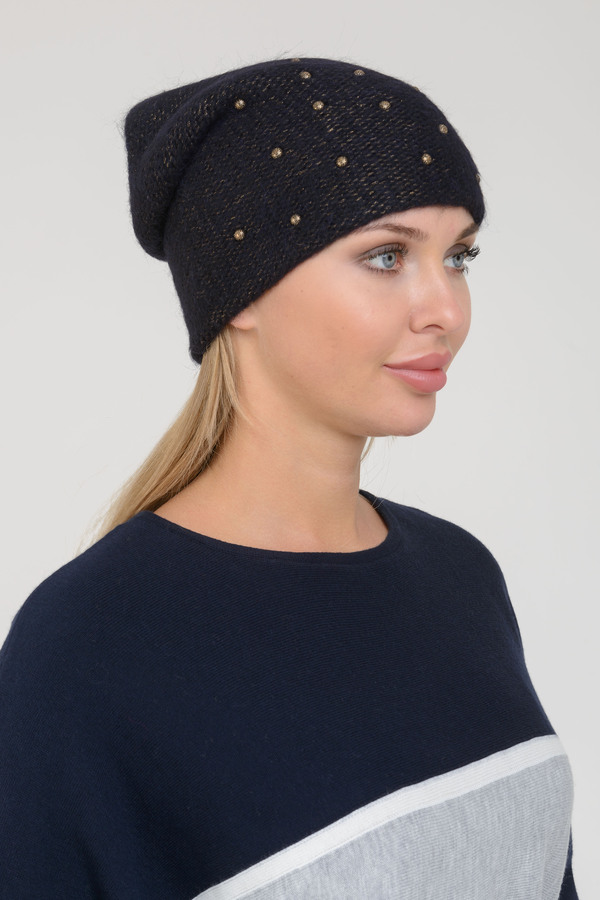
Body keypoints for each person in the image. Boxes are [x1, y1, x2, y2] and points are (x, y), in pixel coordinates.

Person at [0, 57, 577, 899]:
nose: (447, 311)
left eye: (460, 256)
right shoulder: (90, 648)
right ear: (241, 290)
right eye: (387, 255)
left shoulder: (461, 576)